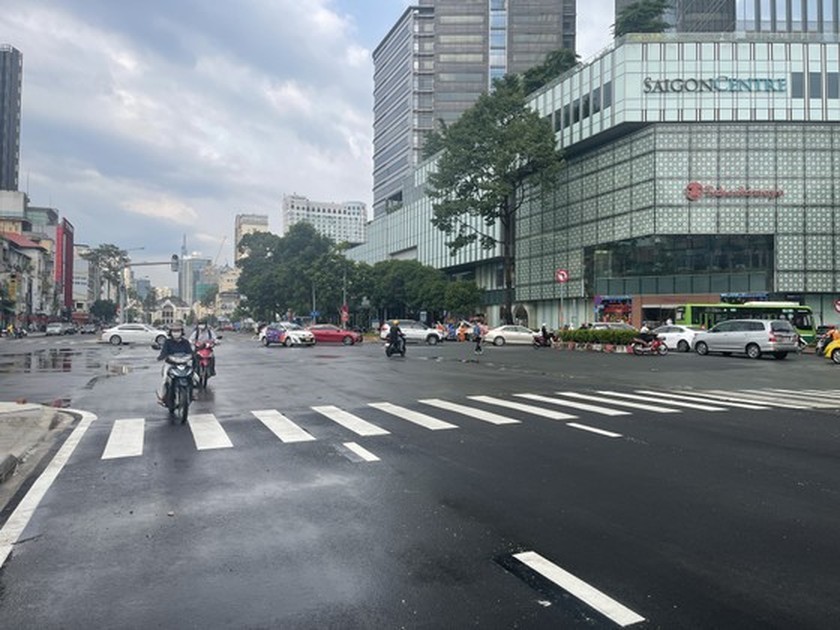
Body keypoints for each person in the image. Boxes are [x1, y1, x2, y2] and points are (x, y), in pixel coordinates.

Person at [156, 322, 193, 405]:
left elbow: (190, 352)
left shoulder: (186, 342)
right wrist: (161, 357)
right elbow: (164, 352)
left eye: (178, 331)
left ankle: (192, 394)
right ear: (170, 332)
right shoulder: (167, 342)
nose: (176, 333)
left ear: (181, 332)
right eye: (174, 331)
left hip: (184, 364)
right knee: (165, 379)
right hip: (170, 364)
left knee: (194, 377)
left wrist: (192, 356)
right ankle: (162, 397)